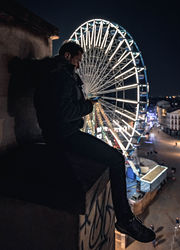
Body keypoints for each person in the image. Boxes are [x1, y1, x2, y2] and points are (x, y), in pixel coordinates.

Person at [33, 40, 155, 243]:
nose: (79, 65)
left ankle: (125, 219)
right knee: (115, 159)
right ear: (67, 56)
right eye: (78, 60)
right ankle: (125, 219)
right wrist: (88, 106)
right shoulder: (62, 77)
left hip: (54, 135)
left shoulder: (51, 74)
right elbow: (65, 112)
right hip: (65, 136)